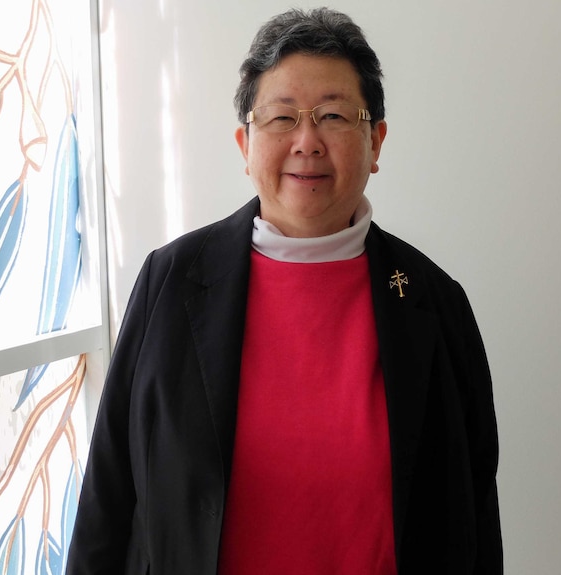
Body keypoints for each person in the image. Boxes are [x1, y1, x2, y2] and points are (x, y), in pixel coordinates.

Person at [66, 7, 502, 575]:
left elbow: (475, 517)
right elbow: (109, 496)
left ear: (376, 141)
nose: (307, 141)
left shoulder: (435, 303)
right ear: (245, 142)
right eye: (281, 119)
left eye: (334, 116)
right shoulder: (170, 283)